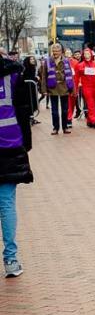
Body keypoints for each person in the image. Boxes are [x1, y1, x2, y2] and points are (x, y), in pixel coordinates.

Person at [0, 51, 34, 278]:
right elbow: (23, 110)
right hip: (10, 145)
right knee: (6, 204)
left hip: (9, 146)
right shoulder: (12, 75)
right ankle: (10, 259)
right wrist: (26, 144)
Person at [39, 43, 75, 135]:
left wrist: (72, 89)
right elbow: (44, 76)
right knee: (54, 111)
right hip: (53, 88)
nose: (55, 53)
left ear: (61, 51)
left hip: (64, 88)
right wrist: (44, 90)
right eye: (54, 51)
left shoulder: (66, 61)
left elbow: (70, 75)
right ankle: (55, 128)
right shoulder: (47, 61)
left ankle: (65, 127)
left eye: (57, 51)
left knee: (65, 110)